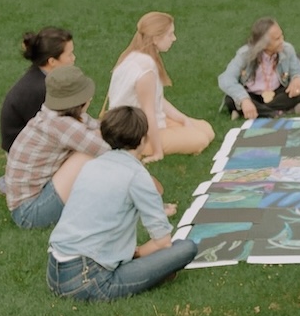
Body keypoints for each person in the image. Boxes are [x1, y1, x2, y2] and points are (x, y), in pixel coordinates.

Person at [45, 107, 197, 302]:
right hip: (90, 280)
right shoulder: (137, 175)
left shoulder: (91, 165)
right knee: (186, 248)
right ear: (143, 140)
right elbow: (163, 241)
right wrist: (139, 252)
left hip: (54, 273)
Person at [4, 66, 108, 229]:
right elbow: (106, 147)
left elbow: (96, 127)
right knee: (85, 156)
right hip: (28, 213)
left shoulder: (53, 114)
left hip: (29, 202)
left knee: (87, 148)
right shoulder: (62, 125)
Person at [107, 12, 215, 160]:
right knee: (200, 139)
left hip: (145, 122)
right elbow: (148, 112)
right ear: (156, 39)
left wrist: (182, 119)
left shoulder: (140, 57)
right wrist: (158, 152)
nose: (174, 38)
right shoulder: (145, 68)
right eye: (170, 34)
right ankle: (145, 148)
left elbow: (157, 100)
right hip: (133, 131)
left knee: (206, 129)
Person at [218, 16, 300, 120]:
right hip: (251, 95)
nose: (282, 41)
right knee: (230, 99)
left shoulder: (287, 49)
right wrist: (244, 100)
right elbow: (226, 79)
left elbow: (298, 70)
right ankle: (278, 112)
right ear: (264, 44)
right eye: (277, 39)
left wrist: (298, 79)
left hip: (276, 94)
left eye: (282, 36)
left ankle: (249, 112)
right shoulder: (244, 54)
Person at [0, 26, 74, 151]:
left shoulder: (40, 79)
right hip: (25, 152)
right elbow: (56, 130)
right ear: (52, 61)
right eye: (69, 55)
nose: (73, 58)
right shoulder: (40, 90)